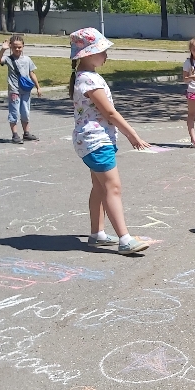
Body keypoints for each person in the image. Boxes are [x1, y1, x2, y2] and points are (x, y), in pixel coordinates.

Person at [68, 27, 151, 255]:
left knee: (99, 187)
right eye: (102, 51)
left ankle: (97, 234)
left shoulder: (87, 76)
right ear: (87, 54)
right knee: (112, 188)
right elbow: (110, 113)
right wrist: (132, 135)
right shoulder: (88, 80)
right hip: (96, 142)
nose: (106, 55)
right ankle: (125, 240)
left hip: (92, 141)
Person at [0, 34, 41, 144]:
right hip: (14, 91)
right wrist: (3, 49)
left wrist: (38, 87)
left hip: (25, 90)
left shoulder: (27, 59)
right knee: (14, 112)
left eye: (19, 47)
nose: (17, 49)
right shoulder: (8, 59)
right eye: (15, 47)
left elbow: (32, 73)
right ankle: (15, 135)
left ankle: (26, 133)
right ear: (11, 47)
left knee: (25, 112)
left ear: (23, 46)